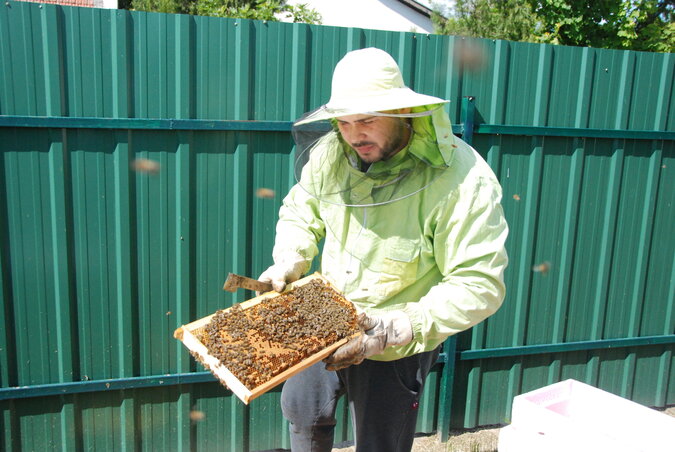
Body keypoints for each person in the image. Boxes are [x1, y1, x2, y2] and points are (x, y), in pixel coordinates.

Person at [258, 47, 508, 452]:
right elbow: (301, 209)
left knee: (381, 443)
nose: (354, 134)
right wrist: (290, 258)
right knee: (302, 411)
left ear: (401, 112)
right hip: (325, 314)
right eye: (343, 121)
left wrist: (398, 327)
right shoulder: (331, 154)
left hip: (397, 339)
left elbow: (479, 283)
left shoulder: (463, 180)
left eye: (367, 120)